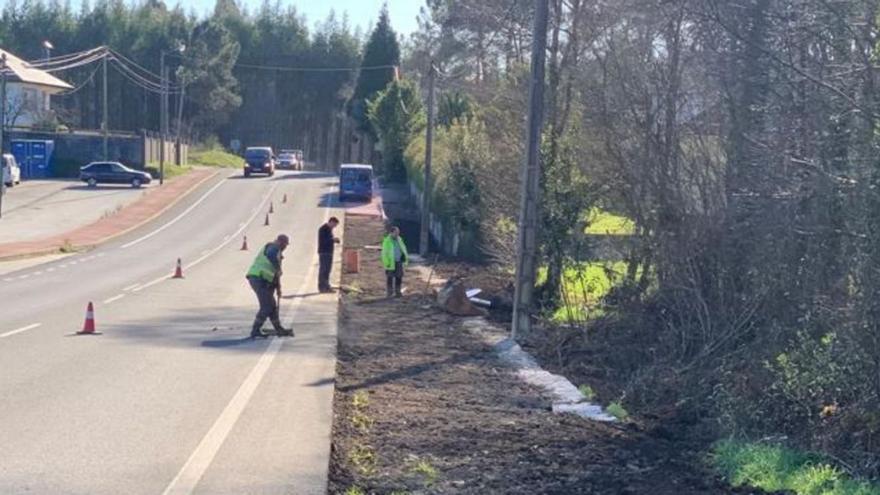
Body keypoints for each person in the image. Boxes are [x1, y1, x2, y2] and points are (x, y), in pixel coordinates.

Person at [246, 234, 294, 338]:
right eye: (285, 245)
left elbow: (276, 276)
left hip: (263, 280)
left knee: (272, 306)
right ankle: (255, 330)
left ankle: (278, 328)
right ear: (280, 242)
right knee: (266, 306)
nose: (285, 247)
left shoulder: (278, 254)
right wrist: (278, 268)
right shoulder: (273, 247)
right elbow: (270, 255)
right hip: (257, 278)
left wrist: (278, 289)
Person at [381, 225, 409, 298]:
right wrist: (387, 263)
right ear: (391, 232)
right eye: (396, 233)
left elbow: (403, 249)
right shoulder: (387, 241)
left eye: (398, 233)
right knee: (390, 278)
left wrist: (405, 258)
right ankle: (389, 292)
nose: (397, 234)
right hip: (391, 263)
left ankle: (398, 292)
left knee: (399, 277)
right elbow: (384, 253)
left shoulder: (399, 239)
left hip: (399, 261)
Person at [317, 217, 340, 292]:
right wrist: (333, 240)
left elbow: (329, 240)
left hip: (329, 252)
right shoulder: (323, 229)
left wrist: (334, 240)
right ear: (331, 222)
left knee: (327, 270)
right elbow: (324, 240)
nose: (334, 227)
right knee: (323, 270)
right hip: (324, 252)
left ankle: (327, 286)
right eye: (334, 225)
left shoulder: (329, 230)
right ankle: (322, 287)